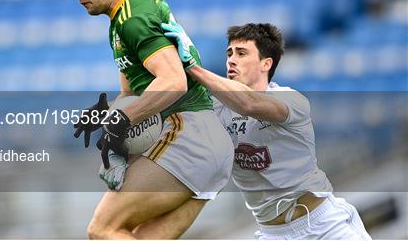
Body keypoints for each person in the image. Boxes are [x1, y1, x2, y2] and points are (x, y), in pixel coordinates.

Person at [67, 0, 234, 239]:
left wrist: (123, 118)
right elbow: (131, 93)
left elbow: (173, 81)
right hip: (210, 142)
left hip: (189, 134)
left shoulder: (132, 18)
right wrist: (107, 113)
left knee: (102, 228)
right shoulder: (122, 19)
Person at [159, 21, 372, 240]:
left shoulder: (291, 100)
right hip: (273, 234)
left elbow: (248, 104)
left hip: (324, 227)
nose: (231, 59)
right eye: (229, 53)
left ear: (266, 63)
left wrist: (192, 67)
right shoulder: (216, 111)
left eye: (242, 53)